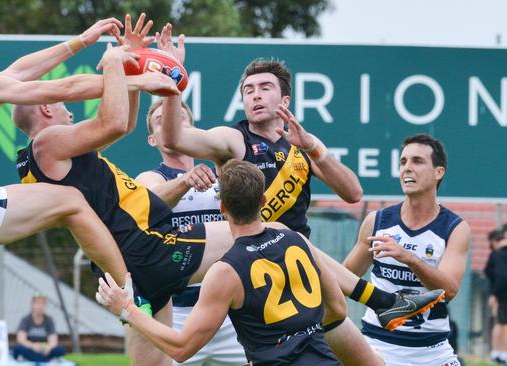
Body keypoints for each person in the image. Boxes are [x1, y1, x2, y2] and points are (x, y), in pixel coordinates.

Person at [154, 23, 442, 364]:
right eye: (249, 90)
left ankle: (384, 304)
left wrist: (315, 149)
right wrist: (173, 79)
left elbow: (352, 192)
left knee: (357, 346)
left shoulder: (300, 144)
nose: (256, 95)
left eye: (265, 87)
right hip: (256, 269)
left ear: (285, 99)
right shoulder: (234, 139)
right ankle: (381, 301)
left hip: (301, 273)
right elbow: (175, 139)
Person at [0, 19, 177, 366]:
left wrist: (81, 41)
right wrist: (133, 79)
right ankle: (130, 297)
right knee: (72, 201)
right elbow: (62, 88)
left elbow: (19, 70)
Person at [97, 159, 346, 365]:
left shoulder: (225, 271)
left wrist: (127, 309)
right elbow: (338, 309)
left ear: (223, 208)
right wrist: (300, 335)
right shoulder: (296, 240)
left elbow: (181, 349)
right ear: (264, 202)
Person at [135, 97, 247, 366]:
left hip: (232, 314)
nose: (171, 124)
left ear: (192, 130)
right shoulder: (151, 178)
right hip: (180, 313)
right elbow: (147, 202)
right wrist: (185, 180)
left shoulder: (224, 174)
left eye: (179, 119)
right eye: (160, 122)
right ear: (152, 140)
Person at [342, 134, 469, 365]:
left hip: (432, 349)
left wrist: (410, 258)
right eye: (403, 162)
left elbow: (449, 290)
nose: (407, 168)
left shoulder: (455, 228)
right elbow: (344, 277)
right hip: (378, 345)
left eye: (417, 161)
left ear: (438, 172)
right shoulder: (377, 221)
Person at [12, 294, 66, 363]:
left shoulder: (49, 320)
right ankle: (44, 360)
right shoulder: (26, 319)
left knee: (60, 350)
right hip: (30, 348)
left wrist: (48, 347)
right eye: (37, 303)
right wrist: (33, 346)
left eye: (42, 303)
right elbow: (21, 339)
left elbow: (53, 341)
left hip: (44, 350)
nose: (40, 306)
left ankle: (36, 359)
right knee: (18, 348)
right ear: (33, 305)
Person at [485, 228, 507, 364]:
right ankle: (500, 352)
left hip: (502, 294)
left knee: (501, 323)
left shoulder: (498, 255)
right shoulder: (498, 255)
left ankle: (500, 352)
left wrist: (494, 293)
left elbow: (500, 276)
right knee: (501, 322)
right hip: (502, 294)